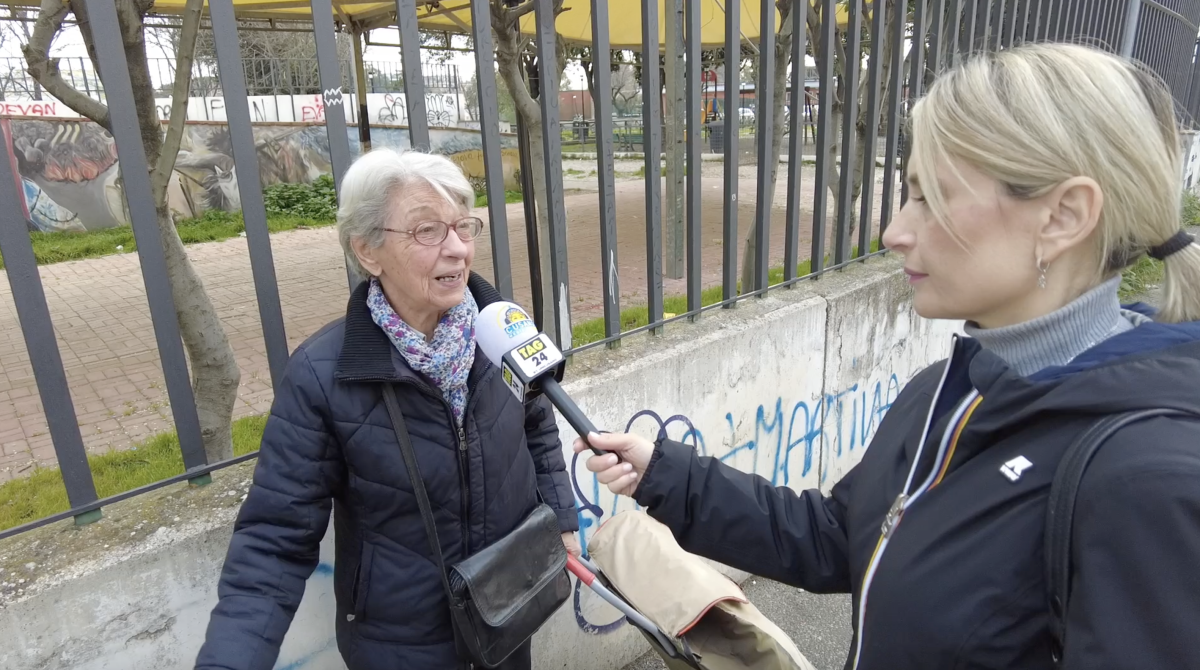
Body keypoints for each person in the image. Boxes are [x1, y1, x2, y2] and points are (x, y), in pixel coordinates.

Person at [577, 43, 1200, 670]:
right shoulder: (947, 391)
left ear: (1064, 216)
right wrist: (668, 475)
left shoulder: (1146, 480)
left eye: (932, 198)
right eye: (907, 193)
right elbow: (838, 538)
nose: (894, 231)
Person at [196, 148, 580, 670]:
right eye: (427, 231)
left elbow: (537, 421)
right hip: (400, 643)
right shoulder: (321, 374)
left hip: (507, 605)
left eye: (463, 226)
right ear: (368, 252)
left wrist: (561, 517)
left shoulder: (502, 329)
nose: (457, 250)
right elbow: (274, 539)